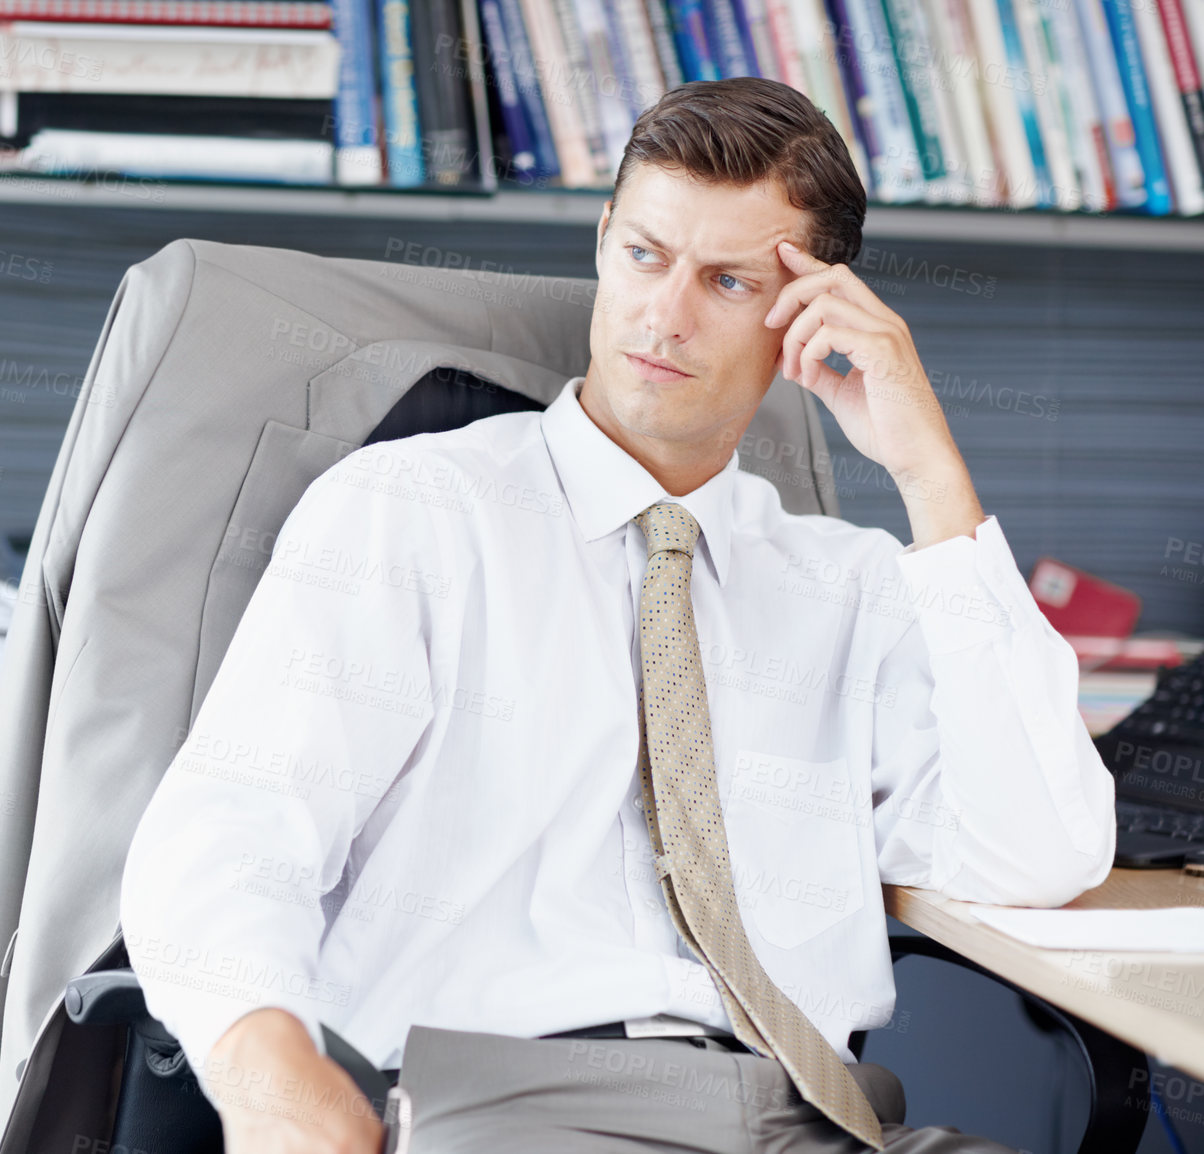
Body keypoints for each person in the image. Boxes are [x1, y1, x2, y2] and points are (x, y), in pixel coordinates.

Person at [118, 76, 1116, 1154]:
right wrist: (277, 1086)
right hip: (511, 1105)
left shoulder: (852, 583)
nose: (664, 313)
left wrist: (928, 470)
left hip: (815, 1113)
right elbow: (230, 836)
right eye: (645, 255)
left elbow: (1040, 851)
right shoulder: (412, 513)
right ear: (602, 241)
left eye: (729, 279)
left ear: (806, 313)